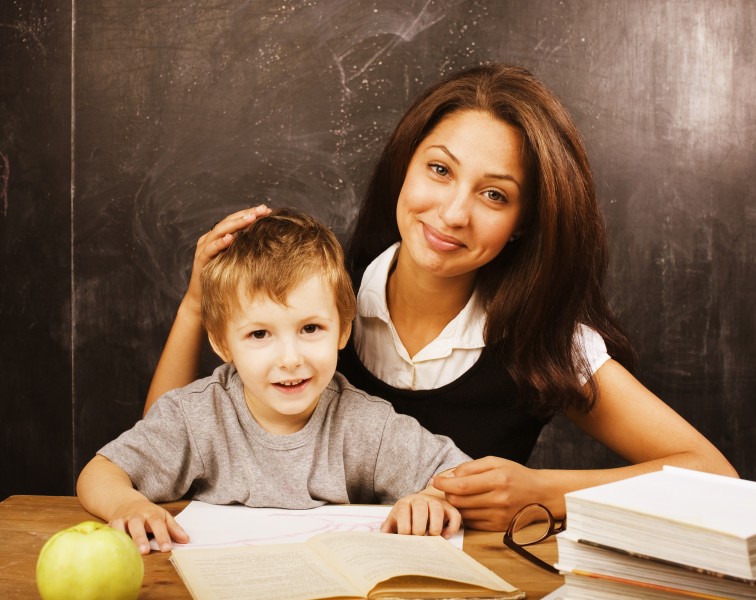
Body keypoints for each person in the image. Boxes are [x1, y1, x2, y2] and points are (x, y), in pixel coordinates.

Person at [143, 64, 737, 533]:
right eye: (440, 170)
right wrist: (196, 305)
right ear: (406, 165)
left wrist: (545, 494)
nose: (453, 213)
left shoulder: (544, 338)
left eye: (495, 196)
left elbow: (712, 475)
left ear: (525, 224)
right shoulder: (312, 299)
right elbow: (161, 449)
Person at [78, 208, 471, 555]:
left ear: (342, 330)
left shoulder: (365, 425)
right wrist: (125, 505)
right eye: (259, 335)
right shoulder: (197, 416)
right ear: (220, 341)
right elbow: (99, 473)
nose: (290, 359)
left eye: (311, 328)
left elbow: (456, 477)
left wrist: (432, 498)